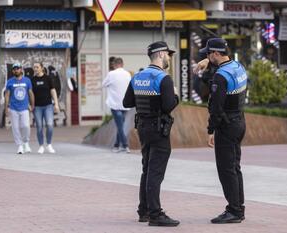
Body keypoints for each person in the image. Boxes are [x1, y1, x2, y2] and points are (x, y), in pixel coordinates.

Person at [123, 41, 180, 227]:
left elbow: (127, 102)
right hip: (158, 129)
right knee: (155, 172)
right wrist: (176, 95)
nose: (169, 58)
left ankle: (144, 211)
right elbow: (168, 106)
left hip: (143, 128)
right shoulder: (163, 78)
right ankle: (156, 214)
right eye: (168, 54)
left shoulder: (138, 76)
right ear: (161, 54)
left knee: (147, 169)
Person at [194, 38, 247, 224]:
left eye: (208, 54)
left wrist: (211, 130)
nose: (207, 56)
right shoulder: (238, 66)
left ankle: (233, 211)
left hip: (227, 125)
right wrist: (208, 62)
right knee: (235, 167)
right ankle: (239, 207)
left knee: (226, 169)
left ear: (216, 53)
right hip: (240, 121)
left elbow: (216, 107)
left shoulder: (220, 77)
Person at [102, 57, 132, 153]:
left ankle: (125, 145)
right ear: (122, 64)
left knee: (120, 126)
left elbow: (103, 84)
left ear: (114, 65)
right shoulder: (128, 74)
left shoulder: (111, 74)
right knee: (121, 125)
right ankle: (116, 145)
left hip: (115, 104)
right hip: (125, 105)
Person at [5, 63, 35, 154]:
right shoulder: (10, 81)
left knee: (26, 126)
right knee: (15, 127)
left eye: (17, 68)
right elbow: (7, 95)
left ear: (21, 69)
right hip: (13, 107)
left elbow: (30, 93)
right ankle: (19, 146)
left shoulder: (27, 80)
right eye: (14, 69)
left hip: (24, 107)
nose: (16, 70)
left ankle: (26, 142)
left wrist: (32, 105)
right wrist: (6, 107)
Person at [31, 62, 60, 154]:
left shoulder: (48, 78)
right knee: (39, 127)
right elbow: (30, 94)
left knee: (50, 125)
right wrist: (30, 105)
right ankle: (41, 146)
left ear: (42, 68)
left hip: (48, 106)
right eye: (34, 67)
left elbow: (53, 91)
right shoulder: (32, 80)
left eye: (37, 67)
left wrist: (56, 104)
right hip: (37, 107)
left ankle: (49, 144)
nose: (35, 69)